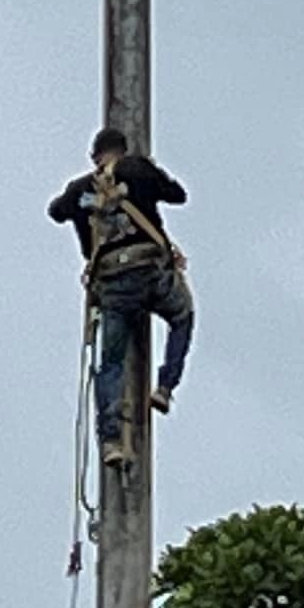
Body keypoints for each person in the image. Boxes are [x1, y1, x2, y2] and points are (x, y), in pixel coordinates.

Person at [49, 127, 195, 466]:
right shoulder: (139, 170)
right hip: (151, 272)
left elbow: (55, 212)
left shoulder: (79, 189)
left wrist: (81, 200)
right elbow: (179, 195)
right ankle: (165, 387)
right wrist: (152, 172)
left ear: (96, 156)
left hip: (113, 282)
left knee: (111, 362)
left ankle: (112, 439)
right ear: (124, 150)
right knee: (181, 316)